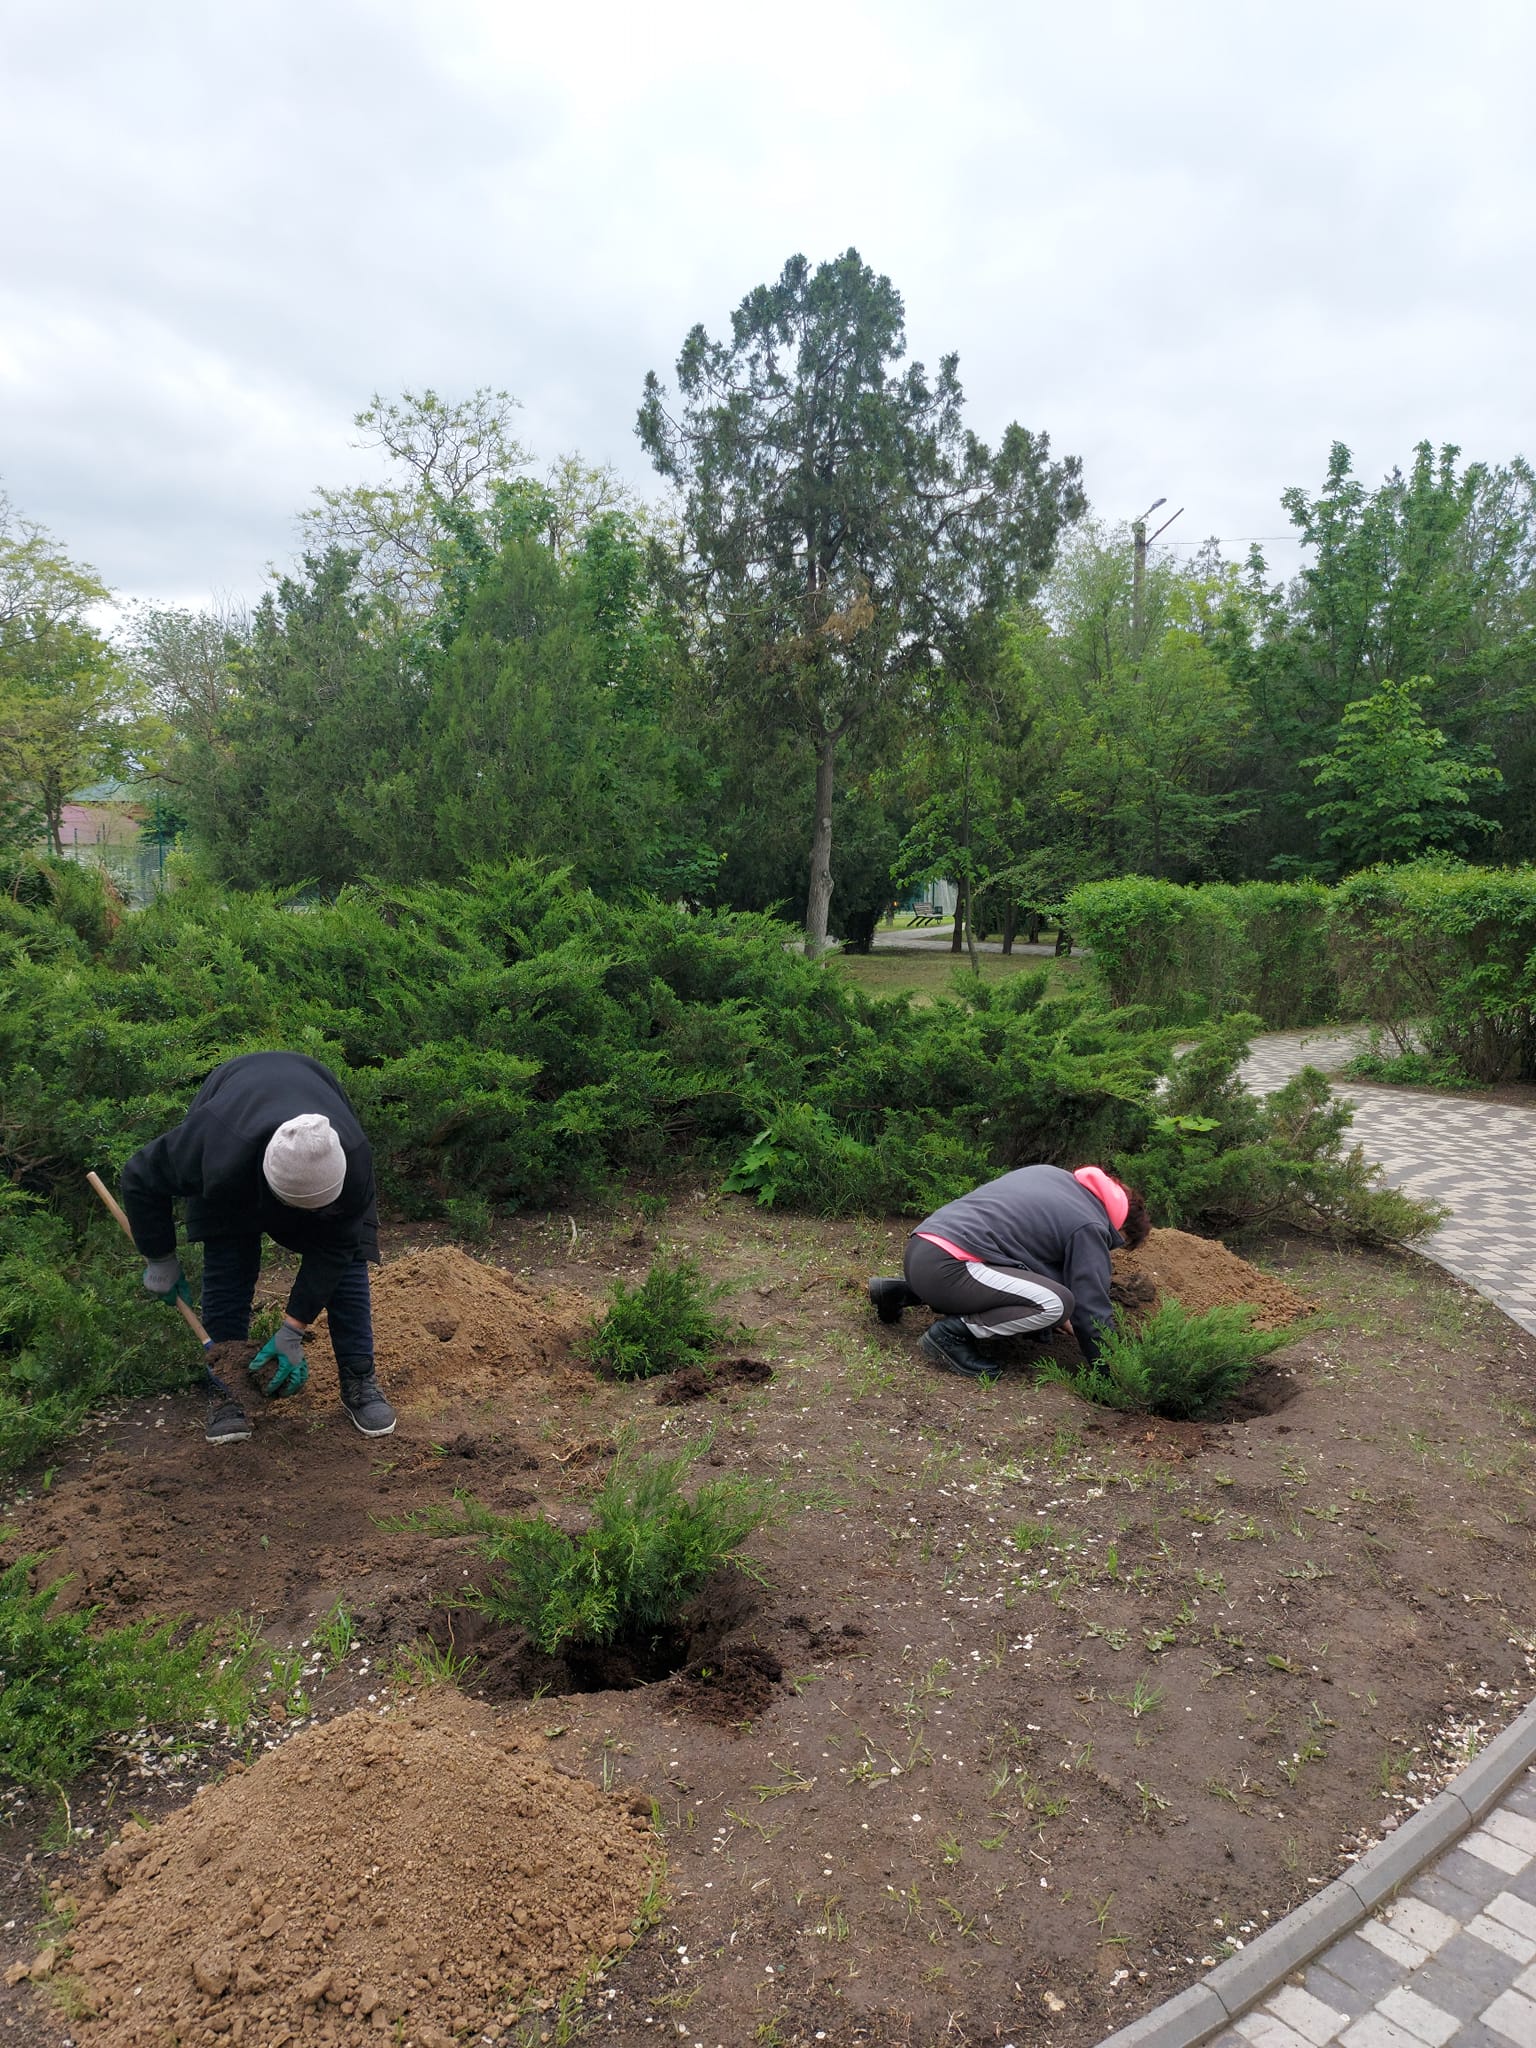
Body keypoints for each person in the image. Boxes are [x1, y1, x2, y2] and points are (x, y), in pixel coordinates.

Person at [121, 1051, 396, 1445]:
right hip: (235, 1139)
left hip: (306, 1099)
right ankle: (226, 1387)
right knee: (228, 1262)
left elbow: (334, 1251)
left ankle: (359, 1378)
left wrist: (292, 1328)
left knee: (349, 1264)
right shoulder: (213, 1143)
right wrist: (159, 1258)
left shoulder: (352, 1158)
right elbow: (140, 1177)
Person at [867, 1163, 1150, 1378]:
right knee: (1056, 1303)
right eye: (1116, 1245)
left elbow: (1022, 1253)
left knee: (1051, 1299)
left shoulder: (1052, 1176)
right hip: (949, 1270)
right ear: (1121, 1228)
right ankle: (949, 1335)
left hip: (923, 1252)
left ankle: (898, 1293)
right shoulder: (1091, 1225)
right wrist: (1113, 1374)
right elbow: (1091, 1310)